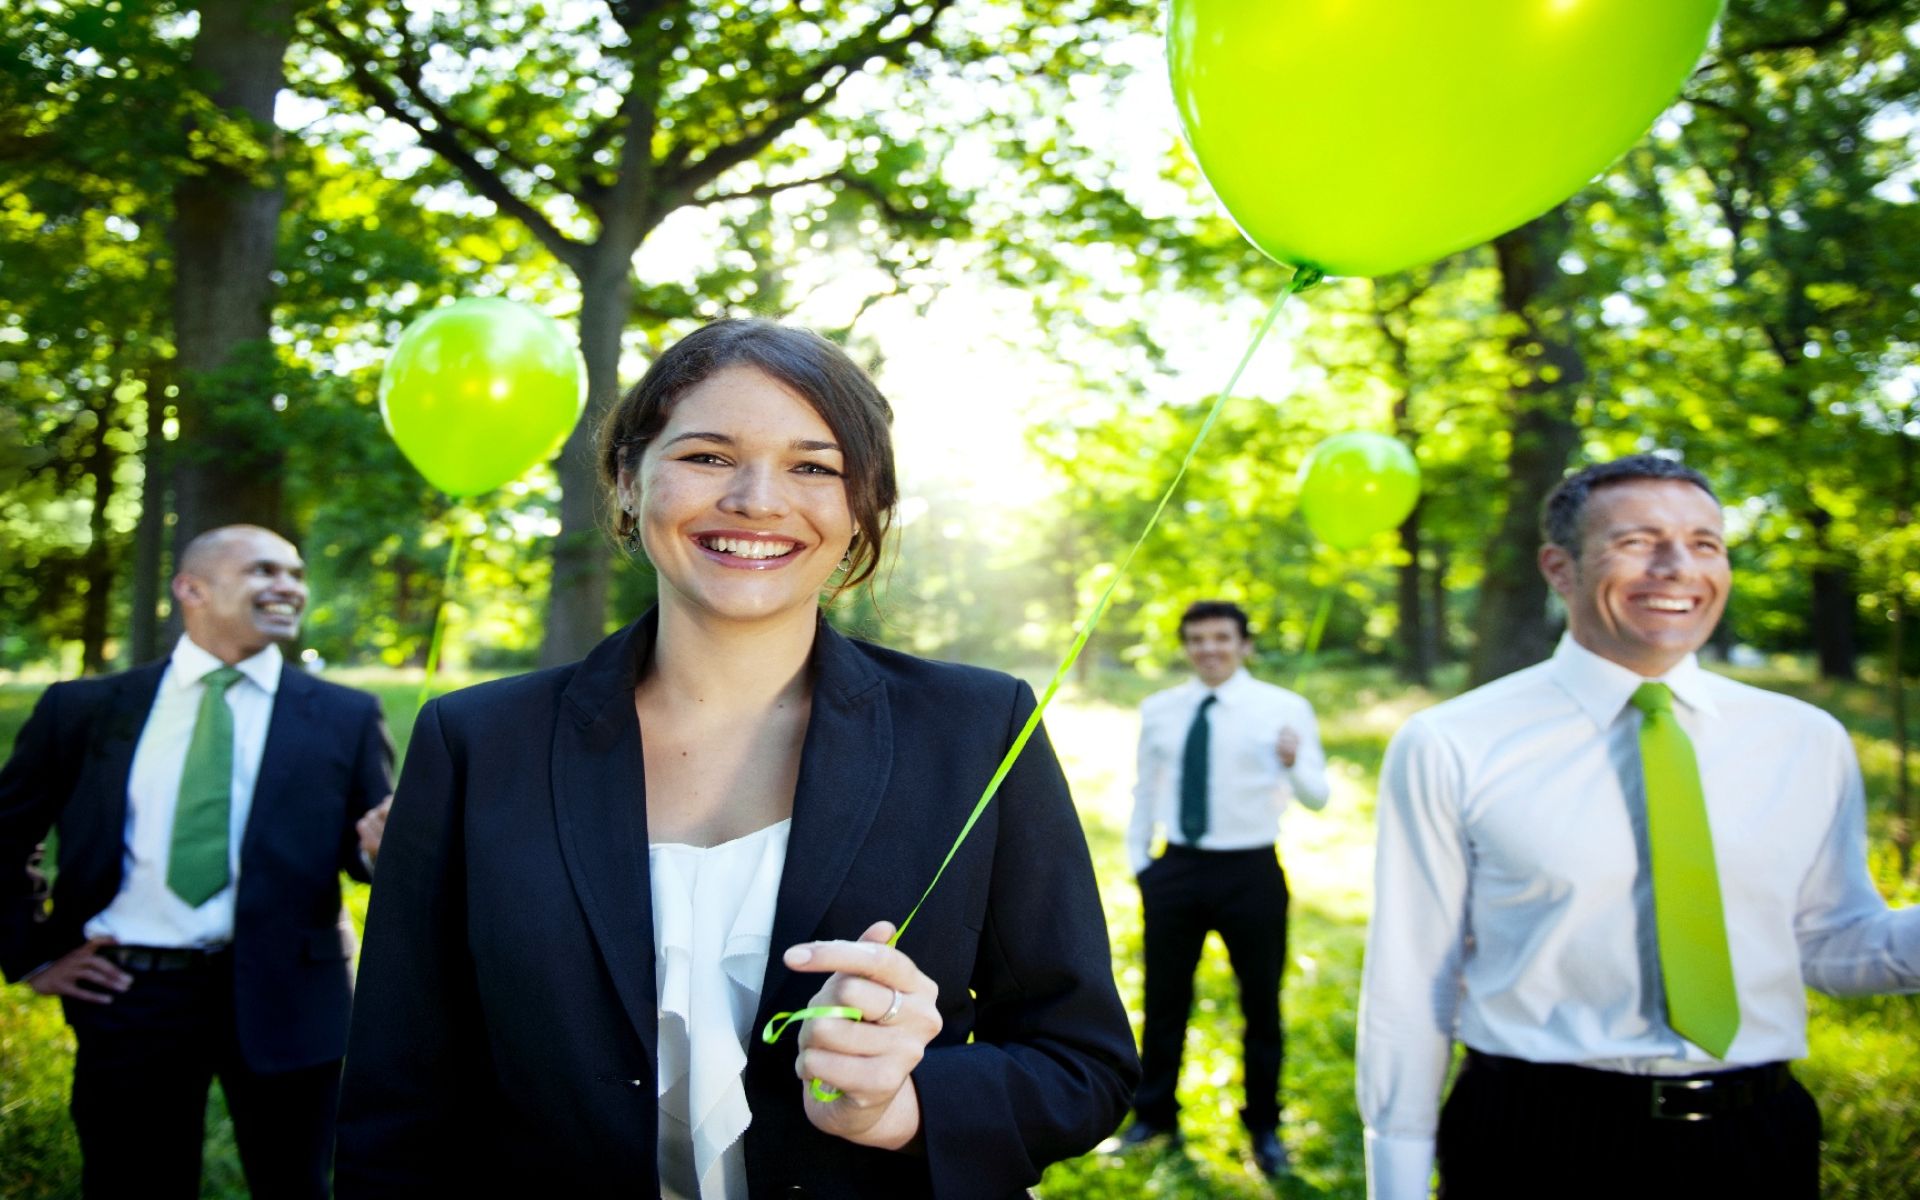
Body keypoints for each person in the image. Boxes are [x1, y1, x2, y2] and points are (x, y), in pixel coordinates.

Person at [334, 318, 1138, 1199]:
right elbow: (397, 1097)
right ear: (628, 481)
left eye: (814, 467)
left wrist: (901, 1108)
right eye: (708, 456)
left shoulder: (979, 729)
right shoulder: (474, 742)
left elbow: (1082, 1063)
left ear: (864, 505)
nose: (758, 501)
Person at [1357, 455, 1920, 1200]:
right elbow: (1410, 983)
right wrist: (1394, 1182)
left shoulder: (1807, 740)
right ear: (1559, 569)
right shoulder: (1452, 743)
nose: (1677, 567)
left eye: (1704, 543)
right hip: (1535, 1139)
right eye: (1637, 542)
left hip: (1756, 1137)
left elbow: (1826, 943)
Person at [0, 524, 395, 1199]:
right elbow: (7, 834)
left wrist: (380, 848)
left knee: (299, 1187)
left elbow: (367, 853)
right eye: (263, 571)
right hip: (130, 996)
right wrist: (33, 955)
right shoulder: (84, 709)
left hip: (294, 996)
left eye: (296, 575)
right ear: (192, 589)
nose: (288, 587)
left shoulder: (346, 714)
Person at [1116, 600, 1328, 1175]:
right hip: (1176, 870)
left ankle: (1263, 1126)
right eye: (1197, 639)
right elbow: (1144, 788)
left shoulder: (1285, 708)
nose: (1209, 649)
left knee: (1260, 1003)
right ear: (1186, 647)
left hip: (1251, 871)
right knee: (1164, 999)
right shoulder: (1161, 709)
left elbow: (1318, 796)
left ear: (1244, 644)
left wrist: (1295, 761)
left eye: (1221, 638)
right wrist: (1142, 864)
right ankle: (1154, 1114)